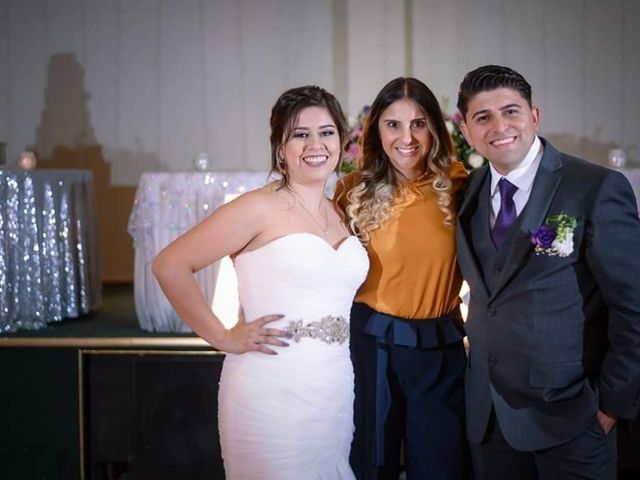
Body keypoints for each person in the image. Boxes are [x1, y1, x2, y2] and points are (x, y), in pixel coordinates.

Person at [152, 85, 369, 479]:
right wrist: (222, 337)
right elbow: (170, 265)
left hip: (333, 387)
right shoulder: (258, 206)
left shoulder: (341, 212)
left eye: (326, 132)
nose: (315, 144)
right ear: (280, 146)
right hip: (269, 389)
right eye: (300, 134)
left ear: (341, 139)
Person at [455, 64, 640, 479]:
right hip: (489, 421)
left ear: (534, 117)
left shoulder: (593, 187)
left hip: (573, 418)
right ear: (466, 131)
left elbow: (633, 305)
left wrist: (612, 403)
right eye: (483, 117)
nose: (499, 126)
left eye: (511, 111)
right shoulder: (467, 194)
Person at [335, 77, 469, 479]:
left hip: (441, 348)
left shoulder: (461, 185)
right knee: (372, 463)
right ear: (376, 129)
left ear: (435, 130)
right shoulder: (351, 190)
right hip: (372, 345)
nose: (406, 137)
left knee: (443, 466)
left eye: (419, 123)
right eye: (393, 124)